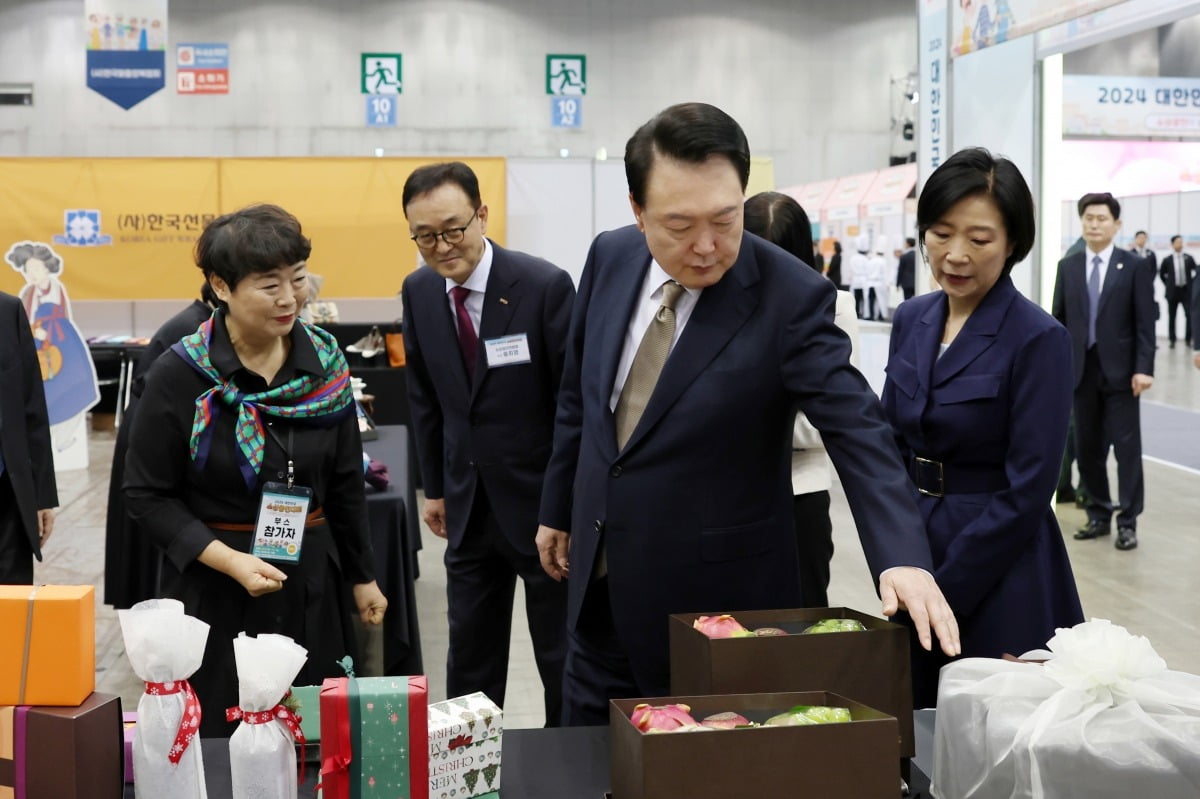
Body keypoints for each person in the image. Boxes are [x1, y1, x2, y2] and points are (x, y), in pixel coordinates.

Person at [535, 102, 960, 726]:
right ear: (637, 210)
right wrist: (558, 509)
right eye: (679, 225)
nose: (706, 247)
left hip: (715, 619)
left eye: (725, 220)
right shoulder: (610, 258)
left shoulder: (790, 296)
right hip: (596, 592)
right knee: (585, 757)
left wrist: (902, 554)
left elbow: (857, 426)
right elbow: (580, 396)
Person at [123, 204, 387, 736]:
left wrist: (362, 576)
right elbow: (146, 495)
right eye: (269, 286)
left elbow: (342, 485)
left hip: (308, 579)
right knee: (227, 735)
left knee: (314, 733)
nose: (290, 298)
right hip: (215, 587)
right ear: (221, 286)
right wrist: (232, 563)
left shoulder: (326, 365)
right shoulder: (181, 375)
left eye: (297, 279)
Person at [881, 148, 1084, 707]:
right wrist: (898, 555)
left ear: (1014, 241)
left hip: (998, 565)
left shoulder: (1038, 338)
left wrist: (948, 586)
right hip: (914, 547)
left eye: (979, 238)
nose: (956, 255)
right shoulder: (912, 318)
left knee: (990, 723)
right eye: (941, 233)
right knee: (915, 717)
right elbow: (889, 443)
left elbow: (1029, 490)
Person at [400, 162, 573, 725]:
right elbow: (423, 395)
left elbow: (573, 404)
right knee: (469, 656)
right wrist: (432, 486)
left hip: (543, 511)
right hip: (468, 505)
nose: (442, 246)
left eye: (453, 229)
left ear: (482, 215)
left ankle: (567, 767)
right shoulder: (420, 290)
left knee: (560, 653)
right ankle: (467, 771)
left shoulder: (543, 285)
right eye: (425, 235)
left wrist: (566, 503)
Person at [743, 191, 860, 608]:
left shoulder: (833, 307)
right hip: (729, 497)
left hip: (799, 497)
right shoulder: (721, 304)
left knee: (803, 625)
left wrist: (737, 416)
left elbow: (824, 424)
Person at [1052, 192, 1155, 552]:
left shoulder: (1134, 266)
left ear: (1117, 224)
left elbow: (1145, 324)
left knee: (1127, 450)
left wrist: (1144, 368)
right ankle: (1098, 514)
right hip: (1081, 373)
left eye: (1101, 218)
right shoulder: (1069, 266)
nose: (1094, 224)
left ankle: (1128, 521)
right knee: (1087, 446)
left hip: (1124, 374)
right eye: (1088, 218)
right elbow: (1059, 322)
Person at [104, 284, 218, 608]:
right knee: (152, 527)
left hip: (151, 421)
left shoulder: (201, 318)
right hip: (151, 429)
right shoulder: (194, 326)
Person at [5, 242, 100, 453]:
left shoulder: (57, 288)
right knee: (43, 396)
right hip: (37, 347)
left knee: (74, 389)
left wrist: (47, 331)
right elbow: (24, 320)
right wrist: (34, 331)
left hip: (63, 345)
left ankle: (63, 439)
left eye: (36, 269)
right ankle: (42, 442)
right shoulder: (28, 293)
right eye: (28, 270)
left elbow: (61, 315)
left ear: (47, 267)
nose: (32, 274)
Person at [0, 291, 58, 584]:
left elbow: (32, 406)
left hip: (7, 492)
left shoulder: (8, 311)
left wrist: (42, 495)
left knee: (12, 604)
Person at [1160, 235, 1196, 350]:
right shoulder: (1167, 260)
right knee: (1172, 317)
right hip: (1173, 292)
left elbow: (1195, 272)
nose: (1179, 244)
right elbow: (1162, 274)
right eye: (1177, 242)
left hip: (1186, 291)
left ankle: (1188, 339)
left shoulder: (1189, 258)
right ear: (1172, 244)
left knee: (1189, 315)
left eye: (1181, 242)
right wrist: (1168, 285)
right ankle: (1172, 340)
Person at [897, 237, 917, 301]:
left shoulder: (904, 256)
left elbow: (900, 271)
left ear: (908, 244)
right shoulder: (917, 256)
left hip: (906, 283)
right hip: (916, 282)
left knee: (907, 301)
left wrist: (897, 283)